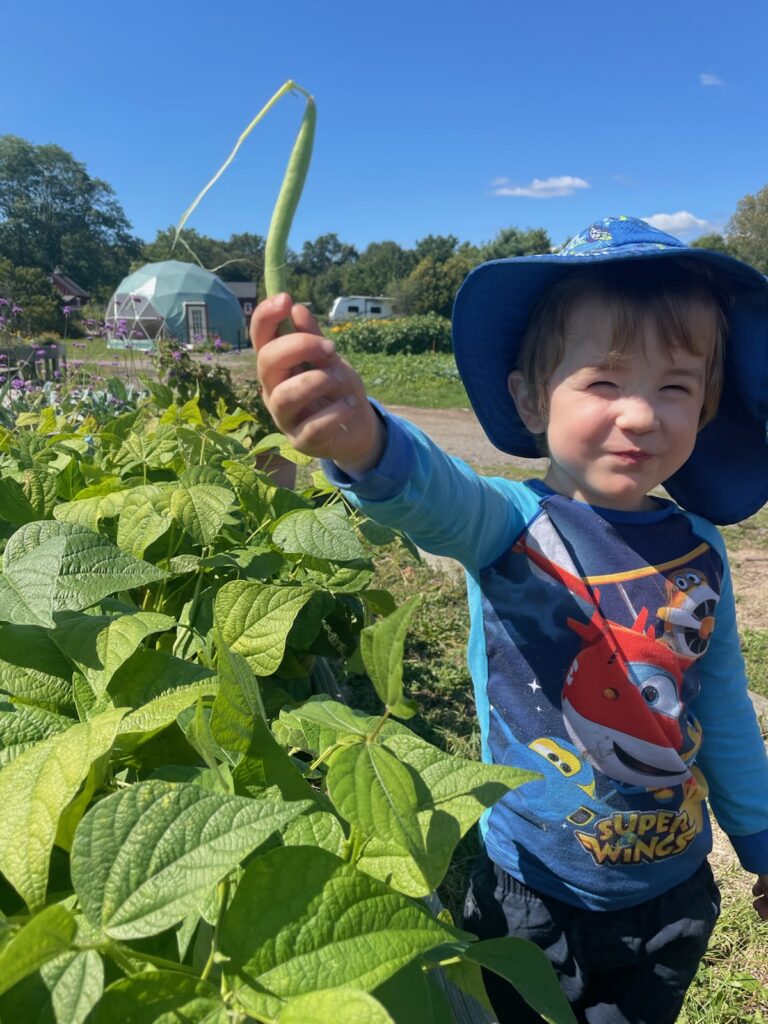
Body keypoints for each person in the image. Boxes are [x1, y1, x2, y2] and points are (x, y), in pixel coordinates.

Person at [252, 216, 768, 1024]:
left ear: (704, 408)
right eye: (604, 381)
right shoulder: (509, 524)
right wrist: (361, 440)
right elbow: (434, 493)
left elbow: (723, 704)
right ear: (530, 397)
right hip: (533, 884)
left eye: (676, 386)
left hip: (673, 889)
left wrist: (760, 841)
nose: (641, 415)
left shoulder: (697, 545)